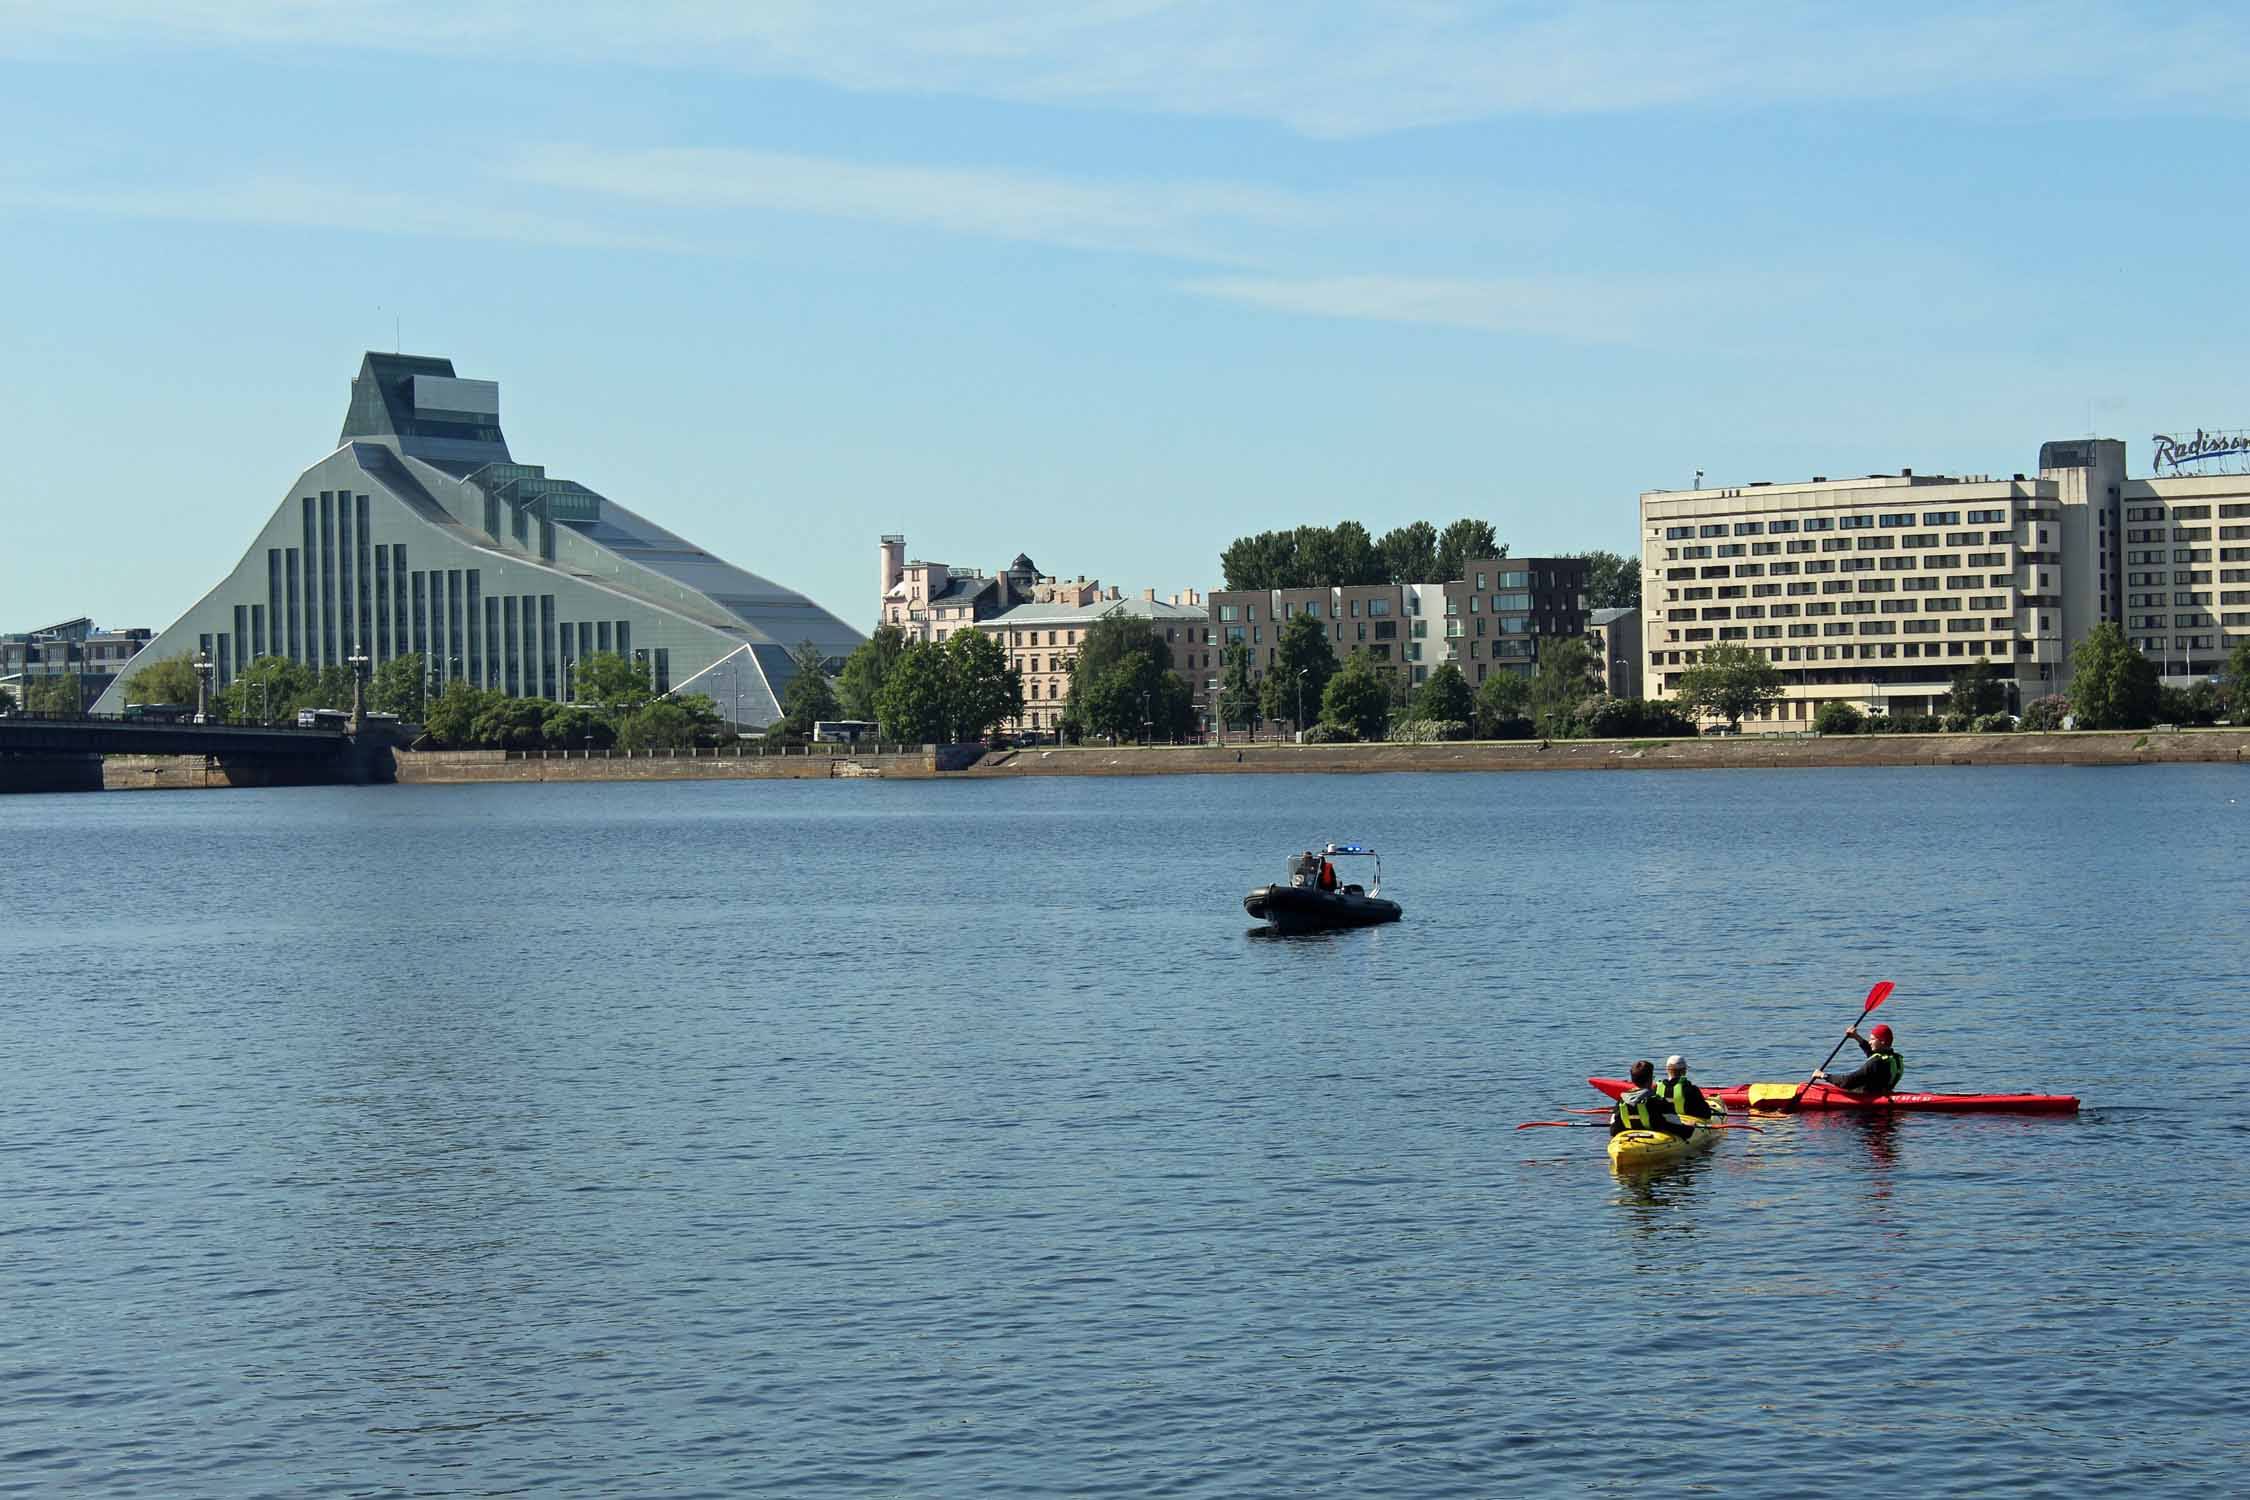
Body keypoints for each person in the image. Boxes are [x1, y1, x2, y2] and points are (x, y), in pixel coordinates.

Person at [1610, 1059, 1694, 1139]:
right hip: (1656, 1140)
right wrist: (1689, 1127)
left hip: (1629, 1139)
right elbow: (1678, 1127)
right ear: (1650, 1079)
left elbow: (1613, 1130)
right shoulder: (1658, 1101)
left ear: (1633, 1080)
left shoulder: (1621, 1101)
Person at [1815, 1023, 1905, 1097]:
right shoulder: (1894, 1058)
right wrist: (1856, 1037)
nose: (1869, 1042)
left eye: (1872, 1039)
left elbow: (1847, 1082)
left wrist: (1824, 1075)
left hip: (1865, 1098)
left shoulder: (1876, 1062)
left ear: (1882, 1041)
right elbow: (1873, 1054)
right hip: (1884, 1094)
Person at [1655, 1055, 1711, 1120]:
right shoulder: (1691, 1089)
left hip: (1665, 1122)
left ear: (1667, 1070)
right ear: (1684, 1071)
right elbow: (1707, 1114)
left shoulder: (1657, 1088)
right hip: (1687, 1123)